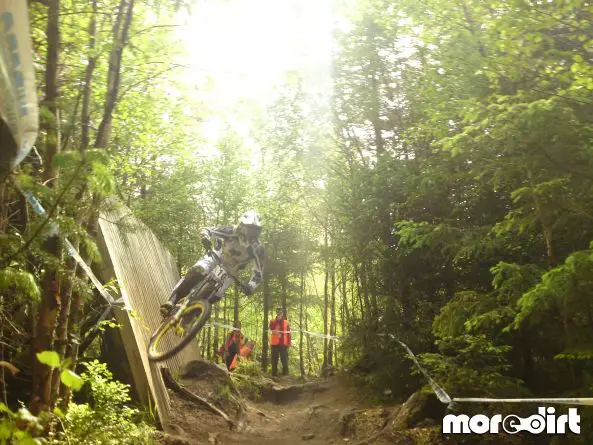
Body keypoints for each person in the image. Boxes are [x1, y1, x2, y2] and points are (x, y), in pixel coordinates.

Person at [160, 210, 264, 317]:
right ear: (241, 225)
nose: (249, 232)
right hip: (216, 257)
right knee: (199, 269)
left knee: (218, 293)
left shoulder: (257, 248)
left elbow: (258, 273)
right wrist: (205, 237)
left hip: (231, 270)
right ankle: (172, 300)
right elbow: (207, 229)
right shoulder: (230, 231)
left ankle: (193, 317)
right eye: (249, 228)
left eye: (254, 230)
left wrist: (250, 286)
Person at [269, 307, 291, 377]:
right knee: (274, 360)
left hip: (283, 344)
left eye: (280, 312)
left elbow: (289, 333)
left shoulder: (286, 322)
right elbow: (271, 328)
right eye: (278, 312)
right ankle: (274, 374)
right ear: (276, 312)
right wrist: (277, 320)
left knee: (284, 359)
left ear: (282, 313)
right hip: (274, 344)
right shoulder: (272, 321)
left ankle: (286, 374)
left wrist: (289, 343)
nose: (279, 313)